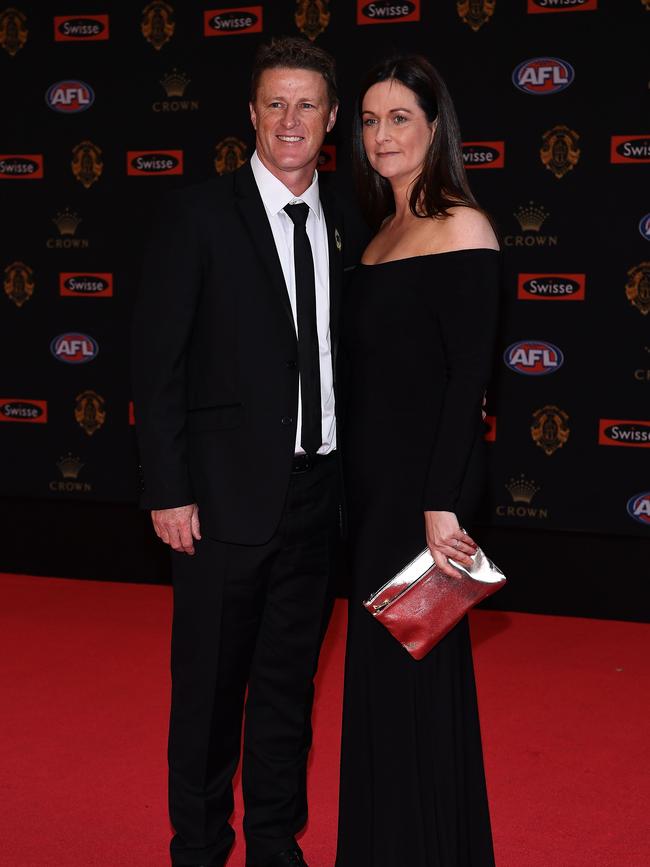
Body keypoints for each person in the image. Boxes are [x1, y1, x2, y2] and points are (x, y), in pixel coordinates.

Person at [132, 37, 350, 867]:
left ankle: (273, 842)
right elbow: (158, 365)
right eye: (275, 104)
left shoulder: (354, 217)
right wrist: (168, 487)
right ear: (251, 115)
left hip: (318, 495)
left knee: (290, 689)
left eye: (307, 105)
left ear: (332, 118)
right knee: (210, 692)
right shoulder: (198, 214)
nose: (291, 121)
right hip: (220, 501)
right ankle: (197, 844)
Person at [336, 55, 500, 866]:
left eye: (400, 117)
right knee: (376, 683)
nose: (381, 135)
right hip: (369, 497)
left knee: (420, 682)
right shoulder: (376, 237)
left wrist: (444, 505)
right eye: (368, 120)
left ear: (436, 128)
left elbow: (469, 379)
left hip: (425, 500)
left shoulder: (463, 226)